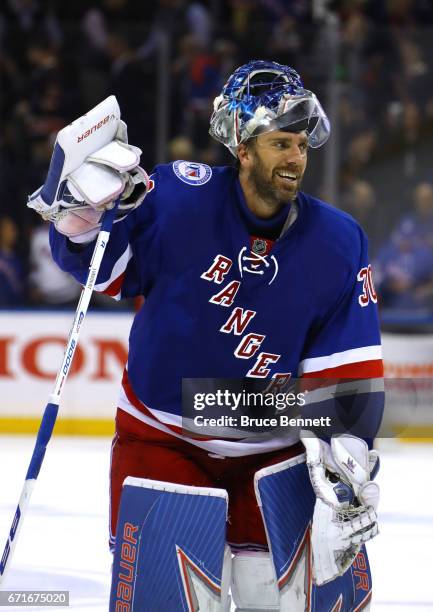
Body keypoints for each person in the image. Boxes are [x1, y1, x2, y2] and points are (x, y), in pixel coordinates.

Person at [30, 61, 383, 610]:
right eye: (280, 144)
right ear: (243, 148)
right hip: (163, 441)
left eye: (302, 145)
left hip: (274, 453)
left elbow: (348, 373)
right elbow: (105, 269)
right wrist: (78, 220)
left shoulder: (339, 242)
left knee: (297, 599)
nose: (296, 158)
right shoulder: (176, 198)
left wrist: (348, 457)